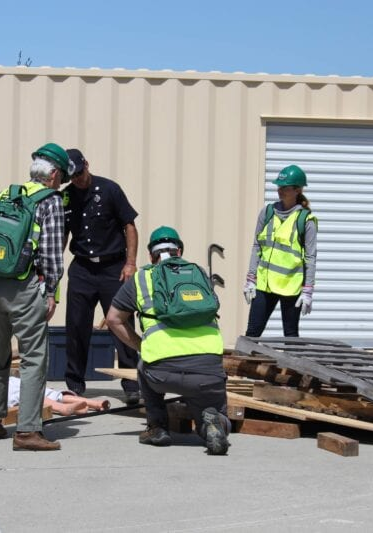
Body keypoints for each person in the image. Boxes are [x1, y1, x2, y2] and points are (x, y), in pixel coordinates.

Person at [0, 142, 71, 451]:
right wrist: (52, 290)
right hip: (25, 288)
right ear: (54, 173)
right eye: (62, 176)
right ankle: (28, 431)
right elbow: (53, 253)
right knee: (33, 358)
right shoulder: (50, 201)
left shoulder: (7, 194)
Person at [106, 226, 230, 455]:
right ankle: (214, 423)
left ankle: (158, 428)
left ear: (151, 255)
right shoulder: (199, 274)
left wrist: (141, 345)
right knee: (211, 403)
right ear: (179, 251)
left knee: (144, 364)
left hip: (161, 372)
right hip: (208, 370)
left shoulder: (142, 278)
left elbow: (113, 319)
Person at [62, 148, 141, 403]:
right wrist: (54, 266)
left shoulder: (109, 190)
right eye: (72, 177)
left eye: (80, 173)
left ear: (87, 164)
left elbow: (129, 225)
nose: (78, 180)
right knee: (76, 326)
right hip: (82, 268)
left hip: (113, 268)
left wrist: (130, 263)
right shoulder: (66, 197)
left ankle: (132, 384)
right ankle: (74, 384)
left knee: (121, 323)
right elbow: (62, 234)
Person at [243, 164, 318, 337]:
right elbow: (257, 246)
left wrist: (308, 291)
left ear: (297, 190)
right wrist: (251, 278)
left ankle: (292, 365)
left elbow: (310, 258)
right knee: (252, 333)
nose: (280, 190)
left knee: (291, 336)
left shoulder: (306, 220)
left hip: (291, 287)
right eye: (279, 186)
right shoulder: (267, 212)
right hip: (264, 284)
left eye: (285, 187)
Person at [0, 371, 110, 416]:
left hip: (2, 380)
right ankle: (64, 409)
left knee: (40, 391)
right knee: (30, 395)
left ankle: (91, 403)